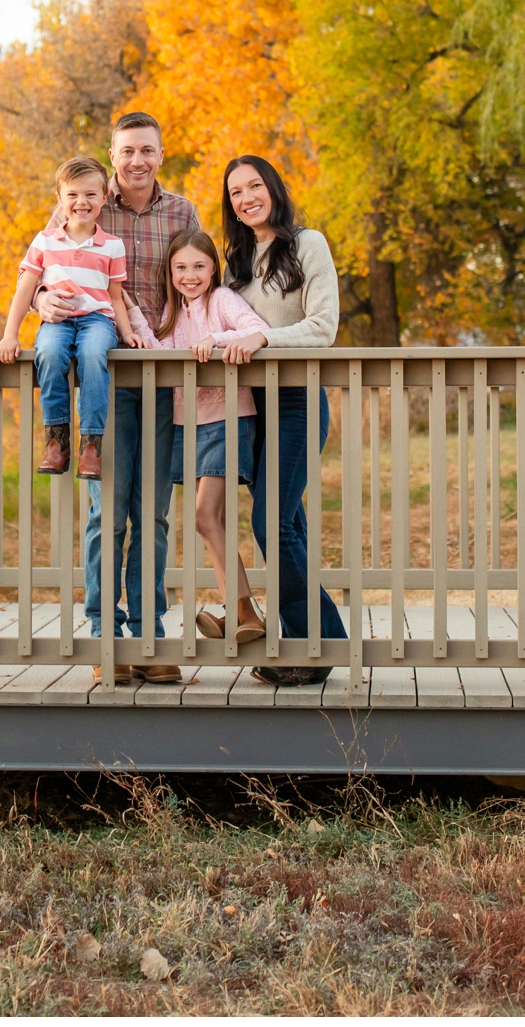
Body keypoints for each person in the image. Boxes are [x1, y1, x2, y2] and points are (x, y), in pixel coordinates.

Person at [31, 112, 199, 678]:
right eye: (127, 151)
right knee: (108, 513)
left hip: (162, 372)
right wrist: (39, 307)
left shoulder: (181, 211)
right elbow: (46, 269)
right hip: (106, 375)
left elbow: (200, 278)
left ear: (160, 154)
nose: (137, 161)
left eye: (147, 150)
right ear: (113, 153)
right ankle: (106, 637)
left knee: (152, 513)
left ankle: (149, 637)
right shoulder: (85, 203)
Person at [212, 153, 347, 686]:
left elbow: (324, 326)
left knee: (269, 520)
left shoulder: (307, 244)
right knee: (286, 522)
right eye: (235, 193)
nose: (247, 198)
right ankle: (302, 642)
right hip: (252, 407)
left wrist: (263, 337)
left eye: (254, 186)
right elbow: (220, 324)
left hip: (296, 400)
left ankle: (323, 640)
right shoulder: (236, 262)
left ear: (273, 186)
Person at [145, 227, 270, 649]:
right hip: (188, 424)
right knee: (208, 520)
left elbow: (256, 328)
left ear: (213, 268)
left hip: (227, 417)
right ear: (170, 271)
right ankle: (238, 611)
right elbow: (154, 348)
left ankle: (245, 610)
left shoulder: (222, 301)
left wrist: (215, 340)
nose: (190, 275)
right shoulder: (171, 313)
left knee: (204, 516)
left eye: (199, 266)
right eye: (181, 267)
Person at [0, 156, 145, 475]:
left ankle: (90, 446)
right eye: (73, 194)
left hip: (97, 321)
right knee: (48, 354)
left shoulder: (112, 246)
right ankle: (56, 443)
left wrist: (128, 331)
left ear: (104, 197)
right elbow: (25, 289)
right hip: (57, 321)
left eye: (91, 194)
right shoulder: (45, 241)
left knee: (93, 355)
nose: (81, 202)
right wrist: (10, 334)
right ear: (59, 199)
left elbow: (116, 297)